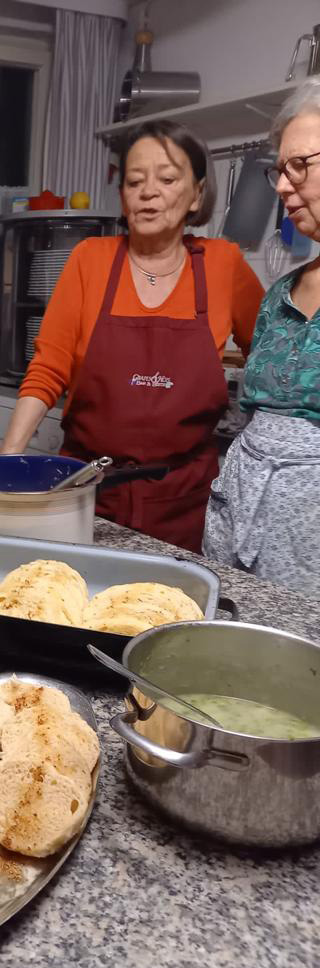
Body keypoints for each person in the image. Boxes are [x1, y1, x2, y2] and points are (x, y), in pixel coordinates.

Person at [0, 120, 264, 553]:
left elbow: (270, 361)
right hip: (86, 491)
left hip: (183, 498)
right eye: (135, 181)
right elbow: (49, 368)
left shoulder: (223, 264)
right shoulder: (90, 259)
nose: (148, 192)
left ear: (197, 194)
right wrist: (8, 460)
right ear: (123, 195)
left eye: (167, 179)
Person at [203, 81, 320, 596]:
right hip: (240, 516)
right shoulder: (279, 294)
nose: (281, 186)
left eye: (300, 166)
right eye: (281, 169)